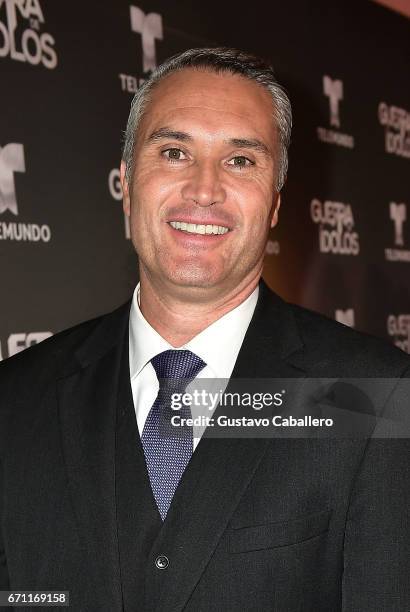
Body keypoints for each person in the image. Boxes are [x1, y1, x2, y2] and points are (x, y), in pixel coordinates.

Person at [0, 47, 409, 612]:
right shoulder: (16, 398)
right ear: (127, 184)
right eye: (174, 152)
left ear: (274, 205)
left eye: (241, 161)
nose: (204, 189)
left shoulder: (370, 397)